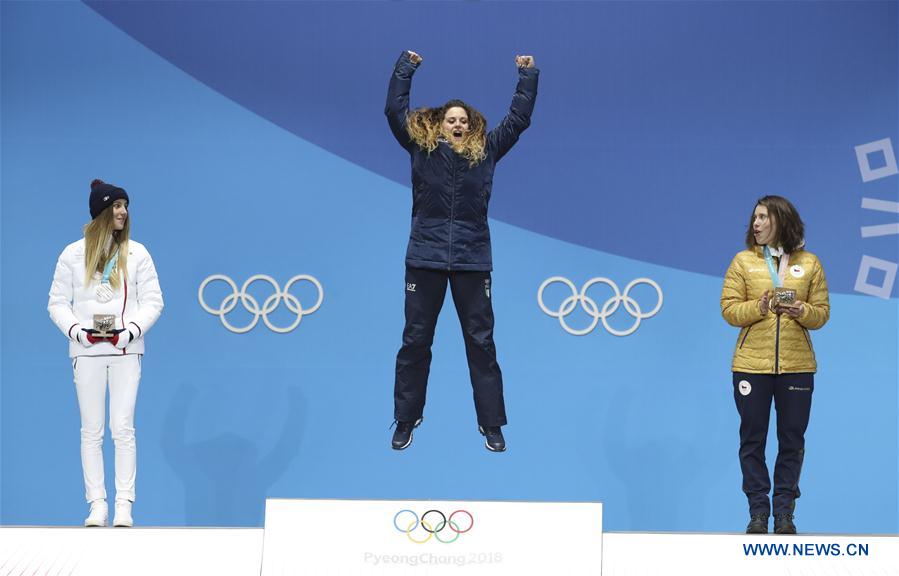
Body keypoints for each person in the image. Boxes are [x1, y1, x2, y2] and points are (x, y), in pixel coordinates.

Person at [385, 50, 538, 452]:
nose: (456, 124)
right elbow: (393, 111)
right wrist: (406, 68)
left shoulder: (487, 151)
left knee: (481, 345)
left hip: (472, 261)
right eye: (450, 119)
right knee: (415, 341)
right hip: (425, 259)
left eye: (463, 120)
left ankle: (491, 424)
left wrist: (527, 76)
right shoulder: (422, 149)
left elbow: (519, 120)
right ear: (440, 124)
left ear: (471, 127)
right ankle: (405, 418)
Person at [48, 179, 164, 527]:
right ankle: (97, 504)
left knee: (122, 427)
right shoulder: (72, 253)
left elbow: (154, 302)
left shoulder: (137, 252)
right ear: (101, 211)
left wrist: (129, 331)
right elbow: (56, 302)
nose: (123, 212)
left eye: (125, 206)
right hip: (86, 352)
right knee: (91, 430)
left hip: (125, 350)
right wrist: (77, 332)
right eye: (116, 206)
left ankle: (124, 505)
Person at [721, 195, 829, 534]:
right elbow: (729, 310)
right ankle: (757, 511)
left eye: (763, 217)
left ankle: (784, 512)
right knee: (752, 439)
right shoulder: (742, 262)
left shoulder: (810, 263)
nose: (756, 223)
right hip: (751, 365)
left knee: (792, 440)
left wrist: (802, 312)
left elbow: (822, 313)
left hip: (797, 366)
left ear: (781, 220)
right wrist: (760, 306)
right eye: (754, 217)